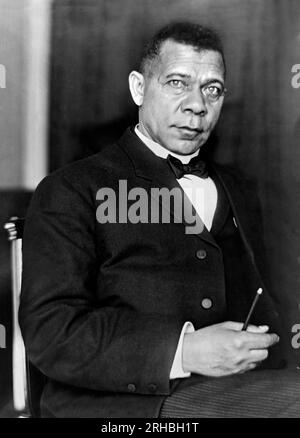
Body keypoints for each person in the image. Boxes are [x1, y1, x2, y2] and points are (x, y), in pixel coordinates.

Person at [19, 22, 299, 418]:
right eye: (177, 83)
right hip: (124, 406)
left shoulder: (240, 187)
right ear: (138, 88)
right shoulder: (72, 189)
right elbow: (51, 332)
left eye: (212, 89)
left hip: (239, 386)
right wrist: (183, 351)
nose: (197, 105)